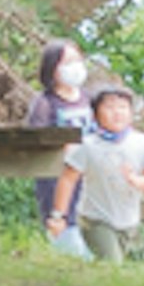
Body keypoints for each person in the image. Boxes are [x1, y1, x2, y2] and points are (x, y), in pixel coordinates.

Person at [61, 86, 144, 264]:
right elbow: (68, 178)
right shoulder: (88, 145)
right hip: (95, 219)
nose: (117, 113)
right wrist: (59, 214)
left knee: (107, 267)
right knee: (112, 264)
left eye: (122, 107)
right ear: (95, 115)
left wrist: (138, 181)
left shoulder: (140, 142)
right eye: (109, 108)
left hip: (128, 221)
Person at [29, 42, 90, 250]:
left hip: (89, 179)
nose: (74, 66)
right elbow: (37, 140)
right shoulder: (44, 104)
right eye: (67, 62)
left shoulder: (89, 100)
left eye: (77, 60)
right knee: (65, 229)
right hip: (55, 179)